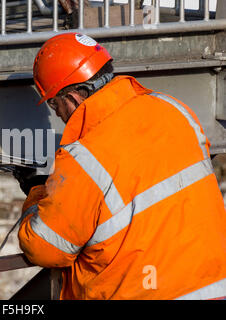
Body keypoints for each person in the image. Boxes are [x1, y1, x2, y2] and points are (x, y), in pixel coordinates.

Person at [16, 32, 226, 300]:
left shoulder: (84, 157)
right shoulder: (174, 109)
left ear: (73, 98)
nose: (57, 114)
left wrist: (36, 191)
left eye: (55, 104)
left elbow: (45, 248)